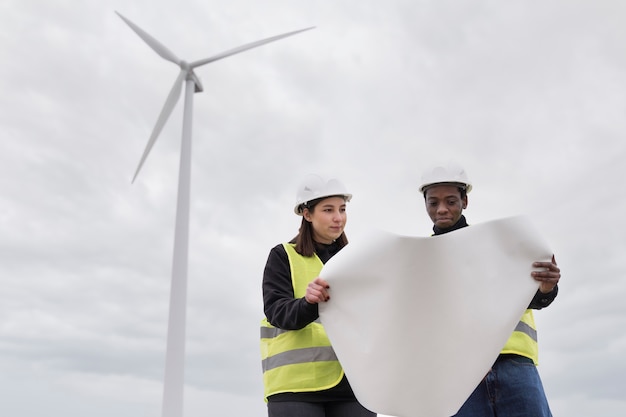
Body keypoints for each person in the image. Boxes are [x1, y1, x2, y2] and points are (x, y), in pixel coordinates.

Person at [419, 163, 561, 417]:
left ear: (465, 201)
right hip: (458, 371)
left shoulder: (499, 243)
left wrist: (547, 287)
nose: (442, 209)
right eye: (433, 203)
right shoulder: (419, 258)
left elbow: (533, 298)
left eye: (451, 201)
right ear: (425, 204)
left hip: (512, 361)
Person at [260, 174, 376, 417]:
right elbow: (276, 313)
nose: (338, 217)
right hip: (297, 387)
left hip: (353, 383)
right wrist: (308, 303)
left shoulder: (358, 260)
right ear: (307, 213)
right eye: (328, 210)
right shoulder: (283, 256)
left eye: (342, 209)